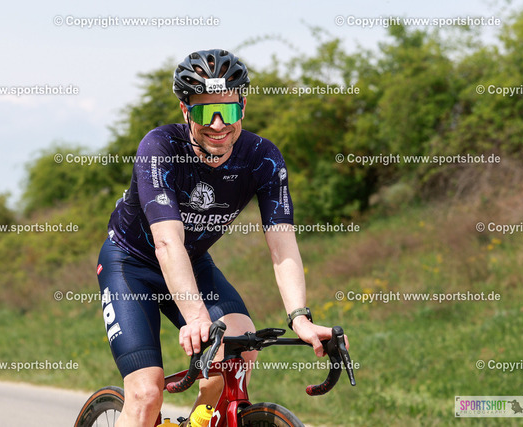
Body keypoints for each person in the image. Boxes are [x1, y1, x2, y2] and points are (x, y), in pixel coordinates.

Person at [96, 48, 346, 426]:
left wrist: (299, 317)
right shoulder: (160, 148)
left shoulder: (262, 158)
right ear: (185, 111)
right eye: (203, 112)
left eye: (227, 111)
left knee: (239, 350)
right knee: (146, 394)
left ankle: (200, 420)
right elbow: (167, 242)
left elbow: (282, 244)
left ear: (242, 107)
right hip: (131, 265)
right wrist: (195, 316)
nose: (217, 124)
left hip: (192, 265)